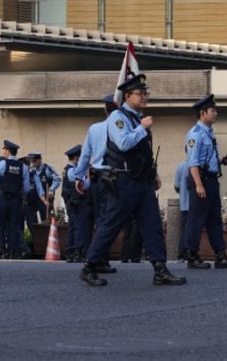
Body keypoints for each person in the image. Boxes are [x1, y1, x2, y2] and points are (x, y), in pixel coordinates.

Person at [79, 73, 187, 287]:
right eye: (140, 93)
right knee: (111, 224)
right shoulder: (118, 118)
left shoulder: (136, 118)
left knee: (152, 225)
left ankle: (160, 269)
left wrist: (153, 173)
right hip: (123, 181)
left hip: (141, 181)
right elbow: (124, 144)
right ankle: (90, 266)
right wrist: (142, 128)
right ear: (127, 96)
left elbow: (142, 152)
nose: (145, 97)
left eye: (146, 93)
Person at [182, 94, 227, 270]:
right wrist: (199, 185)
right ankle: (192, 255)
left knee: (215, 219)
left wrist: (223, 161)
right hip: (201, 180)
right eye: (213, 110)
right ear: (203, 113)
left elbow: (206, 158)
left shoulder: (209, 133)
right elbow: (193, 162)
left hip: (211, 180)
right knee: (196, 219)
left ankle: (221, 256)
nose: (216, 113)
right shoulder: (196, 134)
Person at [72, 94, 120, 274]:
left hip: (98, 177)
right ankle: (98, 259)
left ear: (105, 109)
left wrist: (79, 177)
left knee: (102, 219)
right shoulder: (122, 128)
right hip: (117, 178)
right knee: (111, 220)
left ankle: (99, 258)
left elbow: (85, 155)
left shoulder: (95, 128)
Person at [0, 140, 41, 259]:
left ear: (7, 151)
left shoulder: (3, 164)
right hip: (16, 200)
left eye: (4, 149)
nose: (3, 151)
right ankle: (13, 251)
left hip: (2, 198)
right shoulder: (23, 167)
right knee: (14, 225)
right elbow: (26, 188)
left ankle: (1, 250)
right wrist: (22, 199)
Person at [61, 144, 92, 263]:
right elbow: (83, 185)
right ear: (76, 158)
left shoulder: (69, 169)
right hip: (76, 202)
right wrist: (89, 176)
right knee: (79, 227)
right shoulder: (72, 171)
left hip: (73, 202)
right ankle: (77, 251)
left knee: (73, 226)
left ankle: (72, 251)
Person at [25, 152, 57, 231]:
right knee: (31, 222)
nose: (33, 163)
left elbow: (57, 179)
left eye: (34, 161)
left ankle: (45, 240)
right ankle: (35, 240)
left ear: (39, 160)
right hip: (31, 199)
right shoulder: (29, 170)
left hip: (44, 199)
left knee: (46, 221)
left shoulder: (47, 168)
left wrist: (51, 189)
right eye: (31, 161)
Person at [173, 159, 191, 261]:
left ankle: (182, 254)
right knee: (193, 229)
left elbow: (176, 186)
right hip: (195, 204)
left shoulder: (180, 166)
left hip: (184, 204)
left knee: (184, 229)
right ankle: (190, 252)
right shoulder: (198, 165)